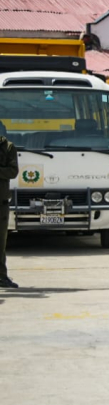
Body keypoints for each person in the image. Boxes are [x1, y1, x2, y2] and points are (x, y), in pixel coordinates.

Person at [2, 121, 22, 287]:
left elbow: (13, 171)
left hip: (0, 202)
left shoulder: (8, 147)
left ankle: (1, 276)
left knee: (0, 242)